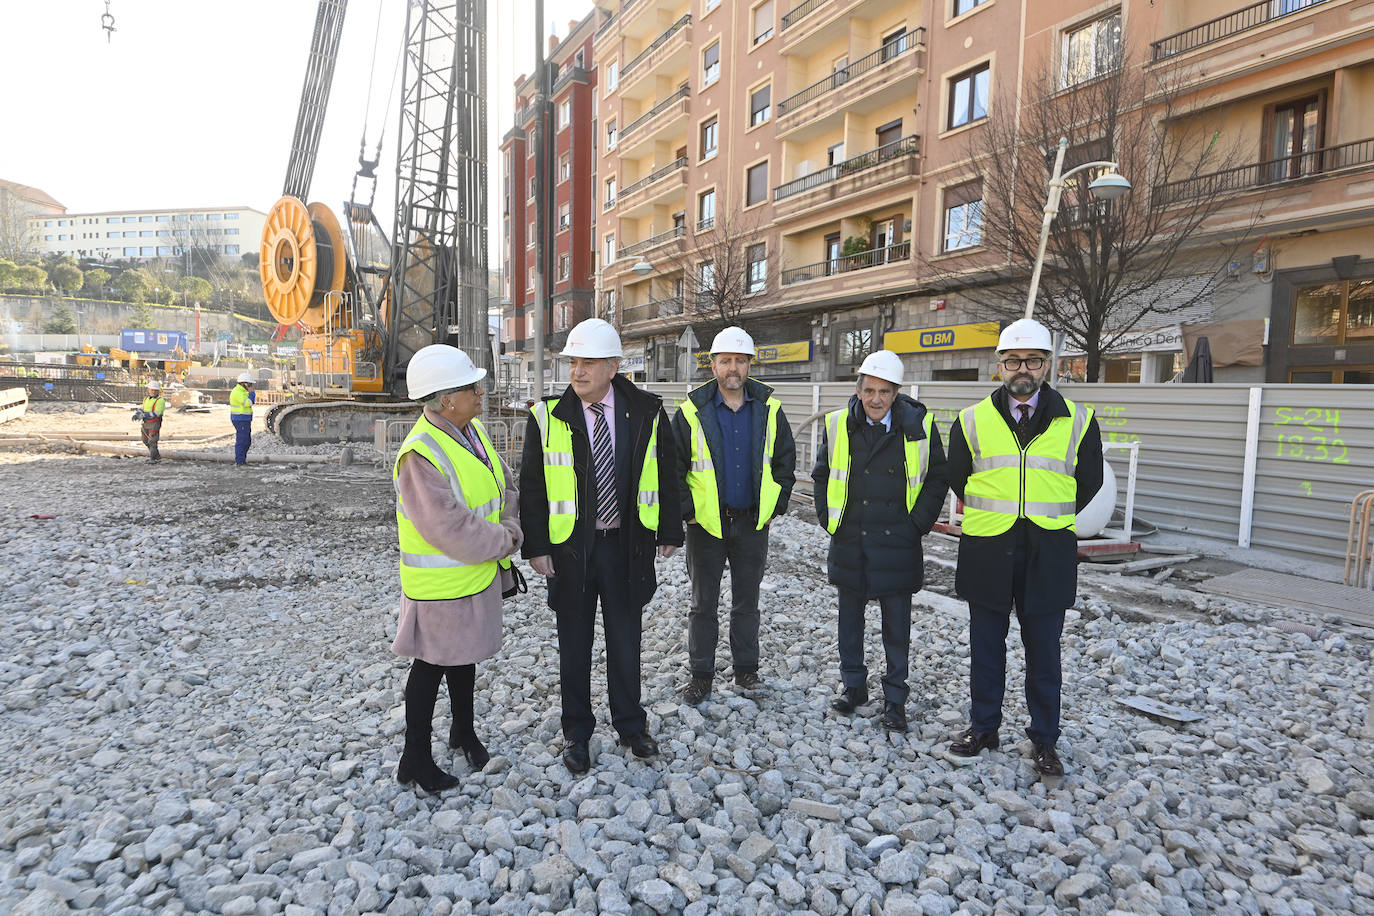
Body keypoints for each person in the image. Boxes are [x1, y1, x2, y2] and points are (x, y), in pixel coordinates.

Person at [519, 318, 683, 775]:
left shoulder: (647, 409)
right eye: (573, 362)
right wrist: (536, 546)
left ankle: (631, 725)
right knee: (574, 643)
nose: (578, 371)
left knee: (626, 641)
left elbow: (666, 471)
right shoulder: (548, 417)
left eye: (588, 362)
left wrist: (670, 529)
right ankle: (577, 733)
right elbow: (532, 487)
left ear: (613, 366)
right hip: (572, 550)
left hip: (626, 547)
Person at [945, 318, 1103, 776]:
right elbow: (958, 477)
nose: (1022, 370)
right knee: (986, 646)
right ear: (999, 365)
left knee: (1044, 651)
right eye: (1013, 361)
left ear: (1047, 365)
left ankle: (1045, 739)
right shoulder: (972, 420)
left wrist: (1044, 512)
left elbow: (1088, 481)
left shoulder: (1079, 420)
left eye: (1032, 361)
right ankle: (983, 727)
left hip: (1047, 549)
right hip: (988, 547)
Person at [391, 344, 522, 793]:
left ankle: (463, 732)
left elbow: (504, 483)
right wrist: (507, 539)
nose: (481, 392)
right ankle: (415, 759)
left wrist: (508, 519)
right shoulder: (420, 455)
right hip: (441, 582)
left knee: (464, 658)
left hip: (473, 574)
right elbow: (449, 526)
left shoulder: (473, 430)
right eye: (472, 387)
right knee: (429, 669)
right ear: (447, 399)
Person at [812, 350, 948, 732]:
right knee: (849, 622)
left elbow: (938, 477)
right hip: (851, 537)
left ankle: (895, 699)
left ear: (896, 393)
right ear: (858, 390)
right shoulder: (839, 424)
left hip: (897, 540)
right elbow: (822, 474)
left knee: (896, 627)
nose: (875, 399)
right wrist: (829, 519)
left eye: (884, 392)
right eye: (869, 390)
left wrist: (917, 524)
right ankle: (854, 687)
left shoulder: (919, 424)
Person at [671, 326, 795, 704]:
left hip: (752, 523)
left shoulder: (769, 409)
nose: (733, 368)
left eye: (740, 361)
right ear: (713, 365)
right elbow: (673, 467)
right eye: (725, 360)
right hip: (707, 524)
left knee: (747, 601)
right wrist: (688, 513)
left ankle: (746, 670)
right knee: (703, 603)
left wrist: (775, 507)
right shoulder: (692, 411)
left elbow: (786, 463)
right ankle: (701, 675)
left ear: (749, 365)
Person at [136, 381, 166, 462]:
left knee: (152, 441)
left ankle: (153, 458)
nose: (153, 392)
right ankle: (156, 456)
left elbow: (157, 413)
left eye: (155, 390)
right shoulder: (146, 399)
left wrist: (144, 415)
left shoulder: (160, 400)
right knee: (145, 440)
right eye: (151, 390)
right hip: (145, 423)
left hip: (154, 423)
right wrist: (137, 413)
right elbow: (142, 408)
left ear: (158, 391)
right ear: (148, 390)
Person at [229, 372, 255, 467]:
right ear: (245, 383)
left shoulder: (242, 392)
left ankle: (242, 460)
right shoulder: (238, 392)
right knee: (242, 440)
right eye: (250, 384)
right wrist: (252, 393)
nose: (251, 386)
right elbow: (249, 403)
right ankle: (240, 461)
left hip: (244, 419)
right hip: (240, 419)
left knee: (246, 440)